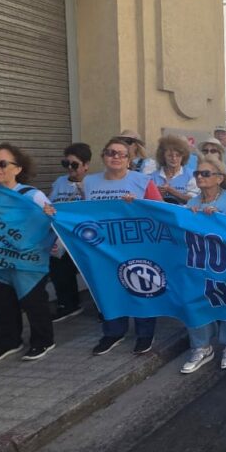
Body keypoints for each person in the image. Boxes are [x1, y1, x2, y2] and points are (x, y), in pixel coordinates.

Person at [0, 143, 57, 363]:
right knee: (2, 304)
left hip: (26, 263)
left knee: (34, 303)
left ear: (18, 169)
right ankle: (9, 341)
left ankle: (43, 340)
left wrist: (50, 218)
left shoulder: (32, 196)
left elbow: (53, 223)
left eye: (3, 163)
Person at [85, 138, 163, 356]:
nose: (116, 157)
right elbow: (84, 212)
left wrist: (137, 208)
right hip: (103, 247)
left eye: (121, 154)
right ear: (103, 157)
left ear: (129, 160)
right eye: (110, 153)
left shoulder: (142, 181)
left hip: (136, 246)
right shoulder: (90, 182)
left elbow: (159, 211)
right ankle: (113, 332)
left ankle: (145, 333)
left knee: (141, 288)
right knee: (109, 290)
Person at [179, 157, 226, 373]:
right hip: (199, 262)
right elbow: (180, 228)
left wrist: (219, 219)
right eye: (197, 174)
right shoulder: (192, 203)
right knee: (195, 301)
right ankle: (202, 347)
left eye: (205, 173)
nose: (200, 177)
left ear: (219, 178)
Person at [47, 142, 91, 322]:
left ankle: (103, 307)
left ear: (86, 165)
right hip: (62, 235)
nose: (70, 169)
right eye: (66, 164)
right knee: (58, 267)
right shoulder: (59, 182)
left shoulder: (93, 182)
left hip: (84, 235)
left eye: (75, 165)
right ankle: (68, 304)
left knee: (91, 270)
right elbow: (50, 203)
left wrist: (83, 193)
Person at [151, 135, 199, 205]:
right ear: (163, 156)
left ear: (183, 156)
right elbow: (148, 202)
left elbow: (193, 201)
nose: (174, 158)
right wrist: (157, 194)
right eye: (170, 155)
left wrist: (172, 191)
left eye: (178, 155)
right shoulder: (153, 176)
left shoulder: (191, 175)